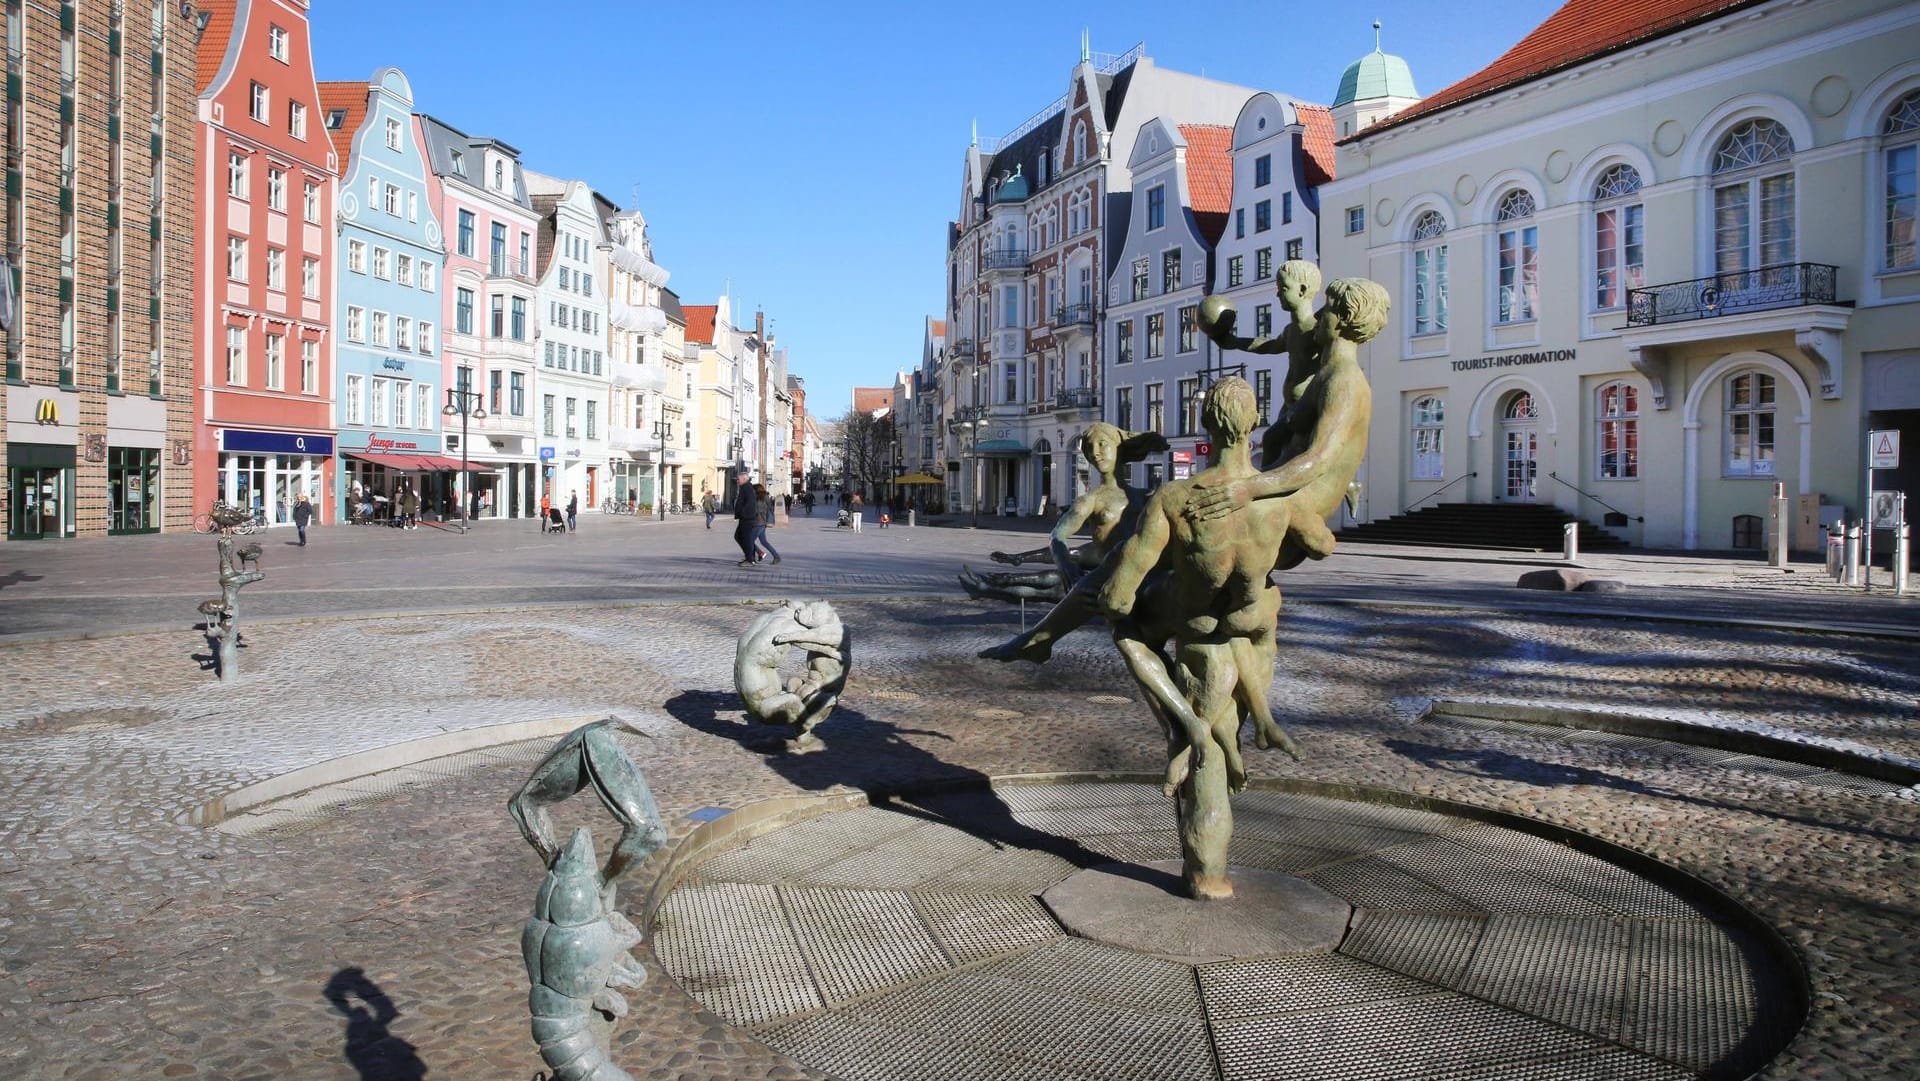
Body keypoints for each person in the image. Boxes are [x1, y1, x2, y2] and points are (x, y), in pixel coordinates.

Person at [731, 471, 760, 566]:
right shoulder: (745, 487)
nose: (737, 481)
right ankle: (750, 557)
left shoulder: (747, 488)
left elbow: (750, 503)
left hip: (747, 518)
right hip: (746, 517)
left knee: (745, 538)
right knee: (740, 537)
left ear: (744, 479)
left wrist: (742, 513)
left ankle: (749, 559)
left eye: (738, 479)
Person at [752, 483, 782, 565]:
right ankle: (776, 557)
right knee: (764, 542)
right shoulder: (764, 497)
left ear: (756, 490)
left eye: (753, 489)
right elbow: (770, 509)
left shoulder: (759, 499)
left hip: (758, 523)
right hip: (762, 523)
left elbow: (758, 510)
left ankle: (756, 555)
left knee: (748, 541)